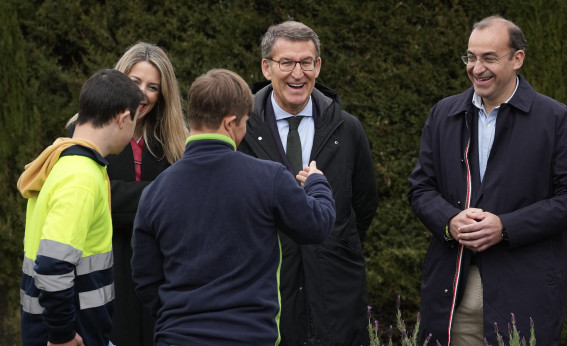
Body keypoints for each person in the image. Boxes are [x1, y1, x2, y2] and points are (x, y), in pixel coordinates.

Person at [408, 15, 567, 345]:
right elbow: (422, 188)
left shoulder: (554, 118)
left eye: (489, 58)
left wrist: (506, 226)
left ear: (517, 59)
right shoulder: (443, 114)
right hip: (453, 292)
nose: (477, 68)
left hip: (524, 294)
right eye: (471, 57)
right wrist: (449, 220)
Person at [130, 68, 336, 345]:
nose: (245, 130)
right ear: (230, 123)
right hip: (250, 336)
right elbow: (317, 225)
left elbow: (145, 277)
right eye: (245, 122)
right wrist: (317, 184)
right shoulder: (269, 178)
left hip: (177, 336)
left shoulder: (155, 191)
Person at [237, 20, 378, 345]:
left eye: (306, 63)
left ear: (318, 66)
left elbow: (363, 205)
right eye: (286, 62)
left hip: (335, 296)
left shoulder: (347, 129)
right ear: (266, 67)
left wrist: (333, 245)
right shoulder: (241, 130)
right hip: (263, 295)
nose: (297, 74)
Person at [67, 42, 188, 346]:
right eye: (135, 82)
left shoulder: (176, 141)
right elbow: (94, 197)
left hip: (160, 272)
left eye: (153, 87)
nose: (142, 94)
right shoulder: (82, 131)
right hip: (105, 267)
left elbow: (183, 207)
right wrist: (160, 196)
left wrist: (121, 198)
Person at [17, 69, 144, 346]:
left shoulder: (63, 160)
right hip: (69, 336)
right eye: (135, 120)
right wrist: (62, 334)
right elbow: (52, 265)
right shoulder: (81, 176)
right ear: (123, 118)